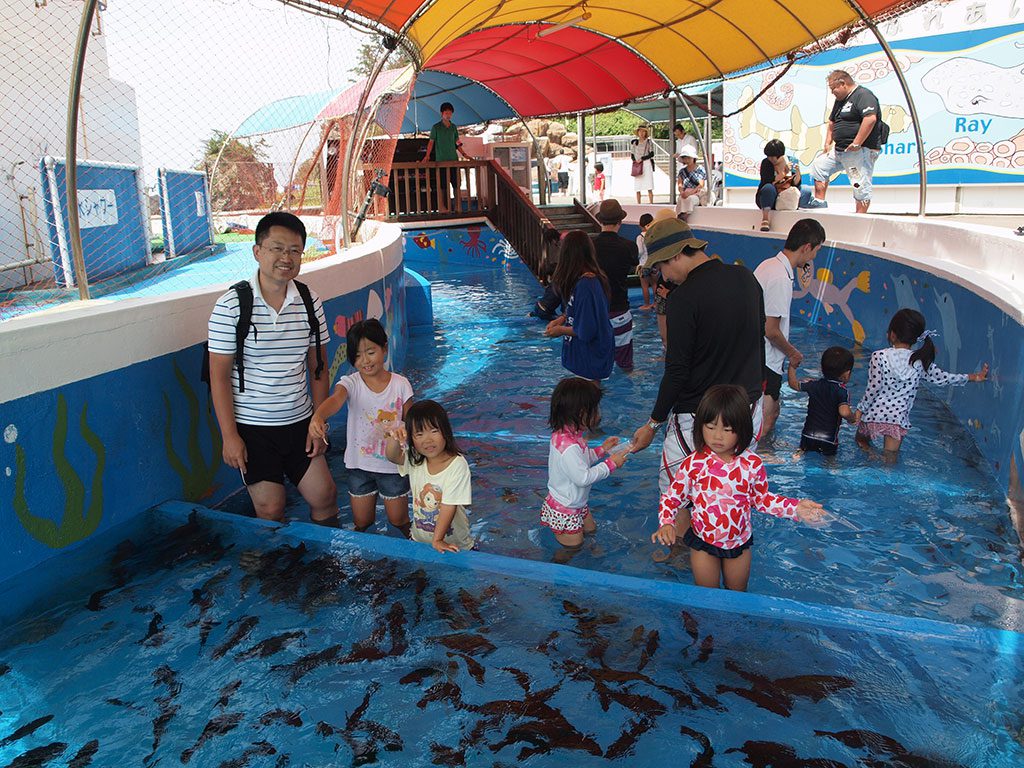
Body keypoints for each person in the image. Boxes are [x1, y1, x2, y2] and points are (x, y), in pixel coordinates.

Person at [630, 217, 766, 516]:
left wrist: (653, 424)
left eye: (661, 266)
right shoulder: (746, 278)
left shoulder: (684, 299)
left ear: (676, 254)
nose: (663, 276)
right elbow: (758, 340)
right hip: (745, 413)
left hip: (699, 419)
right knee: (729, 498)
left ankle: (676, 557)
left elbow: (676, 370)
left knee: (679, 498)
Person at [207, 211, 336, 525]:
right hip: (253, 429)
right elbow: (219, 377)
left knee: (325, 496)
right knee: (269, 508)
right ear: (257, 252)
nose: (286, 257)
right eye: (277, 248)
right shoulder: (232, 305)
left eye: (294, 250)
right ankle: (274, 571)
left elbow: (318, 367)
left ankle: (327, 565)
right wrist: (230, 436)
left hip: (300, 423)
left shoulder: (309, 301)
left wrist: (318, 422)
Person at [651, 385, 825, 590]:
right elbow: (672, 498)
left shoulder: (751, 464)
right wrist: (667, 523)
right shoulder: (693, 464)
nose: (717, 436)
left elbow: (761, 499)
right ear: (700, 426)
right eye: (710, 426)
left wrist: (795, 508)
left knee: (738, 593)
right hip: (703, 544)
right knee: (706, 596)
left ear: (741, 428)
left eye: (727, 429)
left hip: (739, 544)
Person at [308, 318, 413, 535]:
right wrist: (319, 416)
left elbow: (412, 421)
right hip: (359, 467)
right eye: (357, 355)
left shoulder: (401, 384)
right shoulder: (351, 382)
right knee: (362, 524)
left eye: (370, 352)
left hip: (393, 467)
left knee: (399, 521)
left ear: (384, 348)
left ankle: (411, 556)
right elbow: (336, 399)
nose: (364, 360)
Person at [854, 309, 989, 456]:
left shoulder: (879, 356)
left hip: (874, 415)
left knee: (861, 442)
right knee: (889, 461)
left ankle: (871, 456)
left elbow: (873, 389)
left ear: (892, 334)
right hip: (897, 420)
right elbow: (943, 378)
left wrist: (860, 409)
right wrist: (973, 377)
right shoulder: (919, 360)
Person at [753, 218, 826, 441]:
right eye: (816, 251)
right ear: (806, 247)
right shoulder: (780, 278)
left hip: (756, 354)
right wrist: (792, 353)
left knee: (770, 411)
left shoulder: (768, 265)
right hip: (765, 359)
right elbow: (771, 330)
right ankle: (760, 461)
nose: (814, 257)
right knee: (767, 417)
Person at [542, 378, 629, 559]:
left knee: (591, 530)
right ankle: (554, 574)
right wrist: (611, 464)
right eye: (595, 409)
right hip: (565, 510)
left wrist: (602, 450)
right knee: (573, 548)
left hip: (575, 503)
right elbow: (582, 477)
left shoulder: (568, 435)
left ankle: (590, 551)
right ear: (581, 412)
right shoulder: (570, 447)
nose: (598, 414)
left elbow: (581, 460)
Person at [384, 400, 474, 553]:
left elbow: (448, 505)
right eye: (419, 434)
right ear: (412, 439)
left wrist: (438, 539)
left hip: (454, 545)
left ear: (445, 431)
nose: (428, 440)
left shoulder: (457, 465)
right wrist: (395, 437)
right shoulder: (416, 459)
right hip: (419, 540)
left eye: (434, 431)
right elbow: (393, 457)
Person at [807, 70, 882, 213]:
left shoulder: (863, 95)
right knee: (820, 166)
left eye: (833, 88)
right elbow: (832, 122)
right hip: (839, 151)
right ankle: (819, 204)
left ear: (842, 84)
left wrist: (857, 142)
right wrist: (827, 143)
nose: (832, 92)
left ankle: (860, 217)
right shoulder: (840, 100)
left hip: (857, 153)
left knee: (858, 184)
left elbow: (870, 118)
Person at [543, 231, 614, 381]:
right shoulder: (585, 280)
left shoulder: (586, 285)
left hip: (589, 357)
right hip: (588, 355)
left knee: (586, 400)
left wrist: (560, 330)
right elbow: (578, 310)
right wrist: (562, 319)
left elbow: (586, 331)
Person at [591, 199, 640, 373]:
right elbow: (635, 264)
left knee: (596, 362)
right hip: (620, 308)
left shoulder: (590, 247)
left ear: (600, 221)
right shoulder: (629, 247)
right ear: (620, 221)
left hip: (594, 310)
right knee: (625, 365)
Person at [787, 346, 859, 456]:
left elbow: (793, 384)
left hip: (807, 435)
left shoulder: (814, 385)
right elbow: (844, 412)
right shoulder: (842, 391)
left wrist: (792, 366)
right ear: (847, 374)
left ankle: (795, 457)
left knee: (802, 451)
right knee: (830, 462)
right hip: (828, 439)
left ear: (821, 368)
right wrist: (852, 418)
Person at [421, 101, 471, 213]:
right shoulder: (436, 127)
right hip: (441, 161)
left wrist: (464, 154)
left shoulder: (453, 127)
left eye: (450, 113)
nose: (448, 115)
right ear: (442, 113)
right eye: (446, 113)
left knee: (456, 184)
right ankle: (442, 207)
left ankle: (458, 206)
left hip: (453, 160)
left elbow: (457, 143)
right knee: (442, 186)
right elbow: (431, 142)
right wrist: (427, 156)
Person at [756, 139, 802, 231]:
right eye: (769, 157)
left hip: (787, 195)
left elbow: (796, 184)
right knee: (768, 189)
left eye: (773, 157)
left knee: (805, 190)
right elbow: (767, 181)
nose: (770, 159)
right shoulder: (766, 163)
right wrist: (783, 173)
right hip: (771, 197)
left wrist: (797, 172)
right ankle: (765, 218)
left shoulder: (792, 161)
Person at [675, 150, 706, 220]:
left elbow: (701, 185)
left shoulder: (700, 169)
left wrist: (690, 193)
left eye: (689, 158)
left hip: (696, 193)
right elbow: (680, 184)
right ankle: (679, 216)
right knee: (680, 199)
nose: (687, 160)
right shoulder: (682, 171)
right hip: (685, 192)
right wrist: (682, 192)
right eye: (685, 158)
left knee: (690, 199)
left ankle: (684, 216)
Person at [630, 125, 656, 205]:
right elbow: (632, 154)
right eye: (640, 131)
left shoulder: (648, 142)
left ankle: (651, 203)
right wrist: (635, 160)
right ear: (638, 132)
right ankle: (638, 203)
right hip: (638, 164)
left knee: (649, 185)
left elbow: (651, 153)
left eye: (643, 131)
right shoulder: (635, 142)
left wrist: (642, 158)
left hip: (646, 163)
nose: (641, 133)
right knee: (638, 186)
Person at [636, 212, 654, 310]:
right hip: (654, 263)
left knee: (645, 286)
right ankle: (656, 303)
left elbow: (640, 251)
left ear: (640, 225)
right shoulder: (653, 235)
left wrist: (637, 258)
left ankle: (647, 304)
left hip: (643, 265)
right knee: (655, 284)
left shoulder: (640, 237)